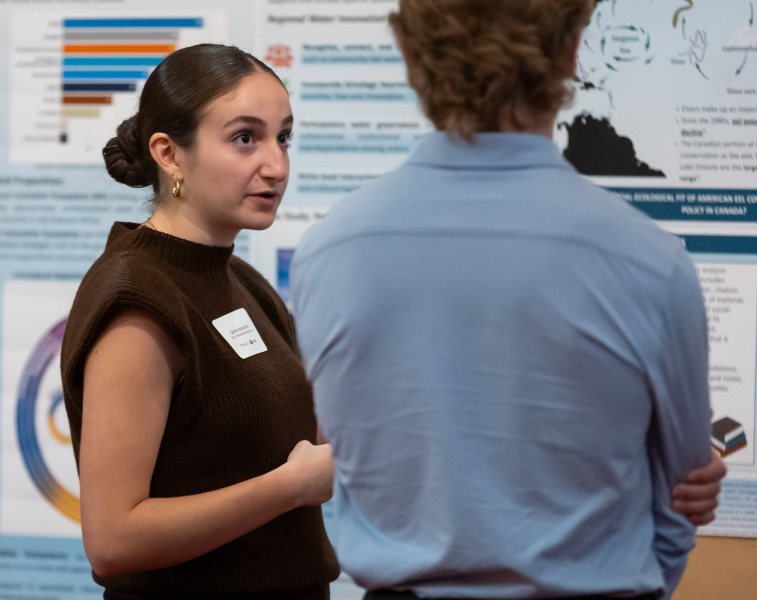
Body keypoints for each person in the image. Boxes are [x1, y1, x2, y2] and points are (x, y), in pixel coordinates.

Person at [289, 1, 726, 598]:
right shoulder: (650, 260)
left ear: (412, 58)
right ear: (572, 52)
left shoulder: (327, 253)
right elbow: (684, 493)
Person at [59, 44, 340, 599]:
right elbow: (114, 540)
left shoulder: (243, 280)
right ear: (168, 154)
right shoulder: (136, 297)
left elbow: (283, 440)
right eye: (245, 138)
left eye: (283, 137)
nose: (277, 165)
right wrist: (289, 488)